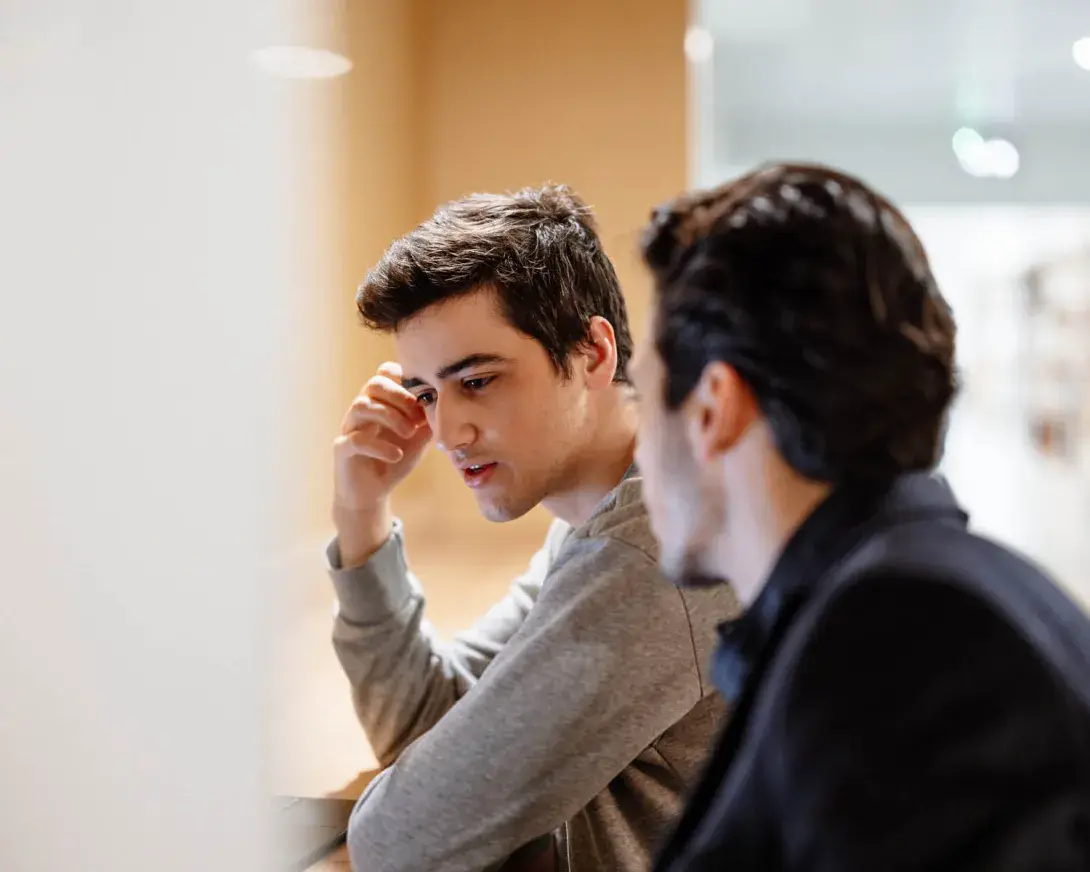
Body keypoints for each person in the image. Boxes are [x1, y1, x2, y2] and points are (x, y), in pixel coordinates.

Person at [627, 162, 1090, 871]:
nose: (639, 449)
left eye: (646, 397)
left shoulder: (896, 632)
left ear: (714, 407)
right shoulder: (908, 594)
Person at [327, 185, 738, 872]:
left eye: (478, 381)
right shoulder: (608, 514)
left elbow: (402, 840)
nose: (447, 431)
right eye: (426, 393)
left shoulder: (653, 548)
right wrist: (361, 515)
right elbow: (432, 722)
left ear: (592, 352)